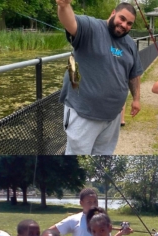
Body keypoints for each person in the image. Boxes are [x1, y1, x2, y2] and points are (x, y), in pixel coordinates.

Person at [56, 0, 143, 155]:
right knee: (78, 160)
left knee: (102, 160)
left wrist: (136, 99)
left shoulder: (130, 44)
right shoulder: (91, 27)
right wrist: (64, 6)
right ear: (113, 13)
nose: (124, 25)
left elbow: (134, 75)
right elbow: (71, 23)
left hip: (112, 116)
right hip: (82, 113)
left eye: (129, 23)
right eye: (122, 19)